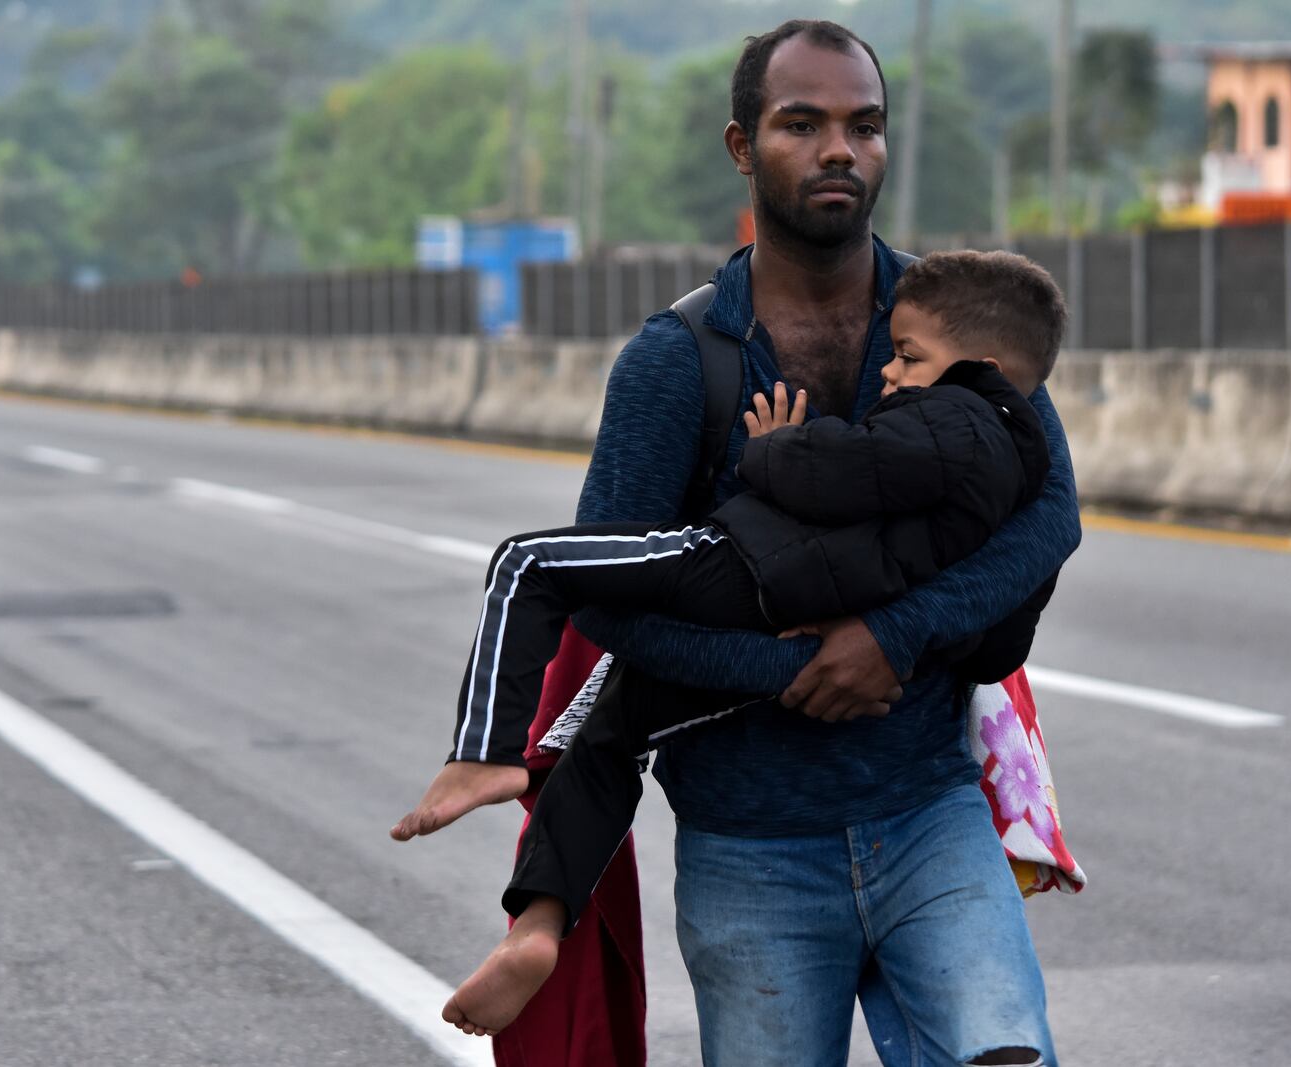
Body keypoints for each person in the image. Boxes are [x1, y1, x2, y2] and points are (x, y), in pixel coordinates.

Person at [415, 19, 1079, 1066]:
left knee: (1006, 1054)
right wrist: (795, 669)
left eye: (865, 126)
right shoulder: (678, 363)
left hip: (930, 815)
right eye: (801, 123)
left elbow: (1050, 517)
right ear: (741, 147)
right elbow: (607, 602)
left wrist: (893, 637)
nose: (838, 150)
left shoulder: (950, 324)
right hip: (749, 853)